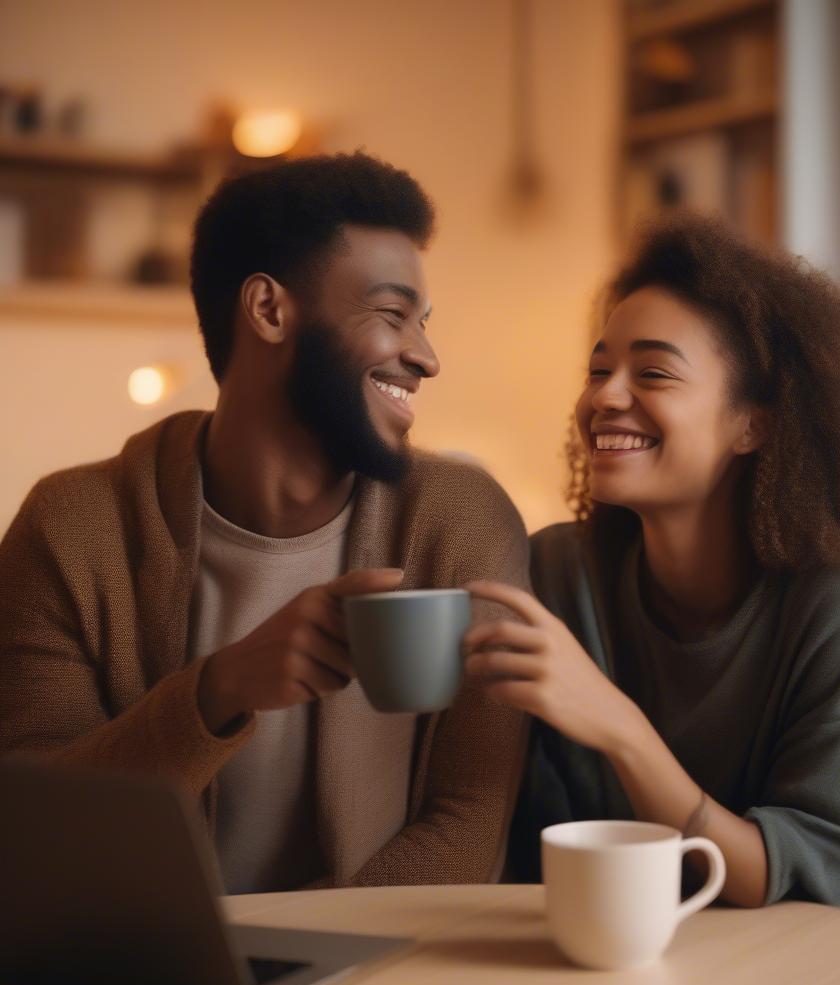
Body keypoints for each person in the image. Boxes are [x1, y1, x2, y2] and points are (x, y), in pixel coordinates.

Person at [0, 152, 529, 894]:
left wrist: (307, 976)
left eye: (425, 322)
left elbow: (471, 819)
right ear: (270, 310)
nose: (427, 357)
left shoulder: (462, 520)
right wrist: (216, 691)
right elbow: (33, 821)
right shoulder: (69, 529)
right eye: (391, 314)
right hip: (136, 972)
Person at [464, 214, 840, 925]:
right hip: (659, 958)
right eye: (599, 370)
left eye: (653, 373)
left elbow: (776, 875)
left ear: (754, 423)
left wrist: (617, 726)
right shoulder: (559, 570)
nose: (604, 396)